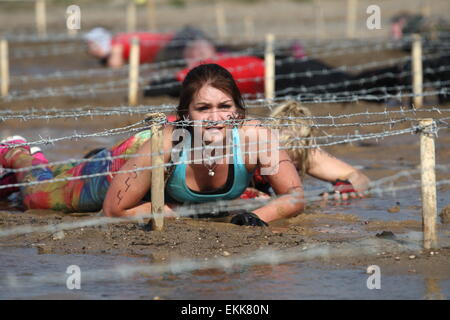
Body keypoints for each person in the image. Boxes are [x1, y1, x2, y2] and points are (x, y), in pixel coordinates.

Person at [0, 64, 369, 225]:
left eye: (225, 107)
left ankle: (23, 176)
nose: (214, 117)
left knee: (18, 196)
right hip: (132, 159)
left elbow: (352, 176)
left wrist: (347, 187)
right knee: (37, 197)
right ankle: (20, 153)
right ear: (186, 114)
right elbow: (114, 212)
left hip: (167, 173)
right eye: (204, 108)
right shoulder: (175, 141)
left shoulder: (283, 148)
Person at [84, 26, 221, 69]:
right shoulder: (120, 39)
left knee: (203, 57)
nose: (90, 51)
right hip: (168, 46)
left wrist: (104, 59)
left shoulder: (117, 43)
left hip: (169, 46)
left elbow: (115, 65)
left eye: (92, 46)